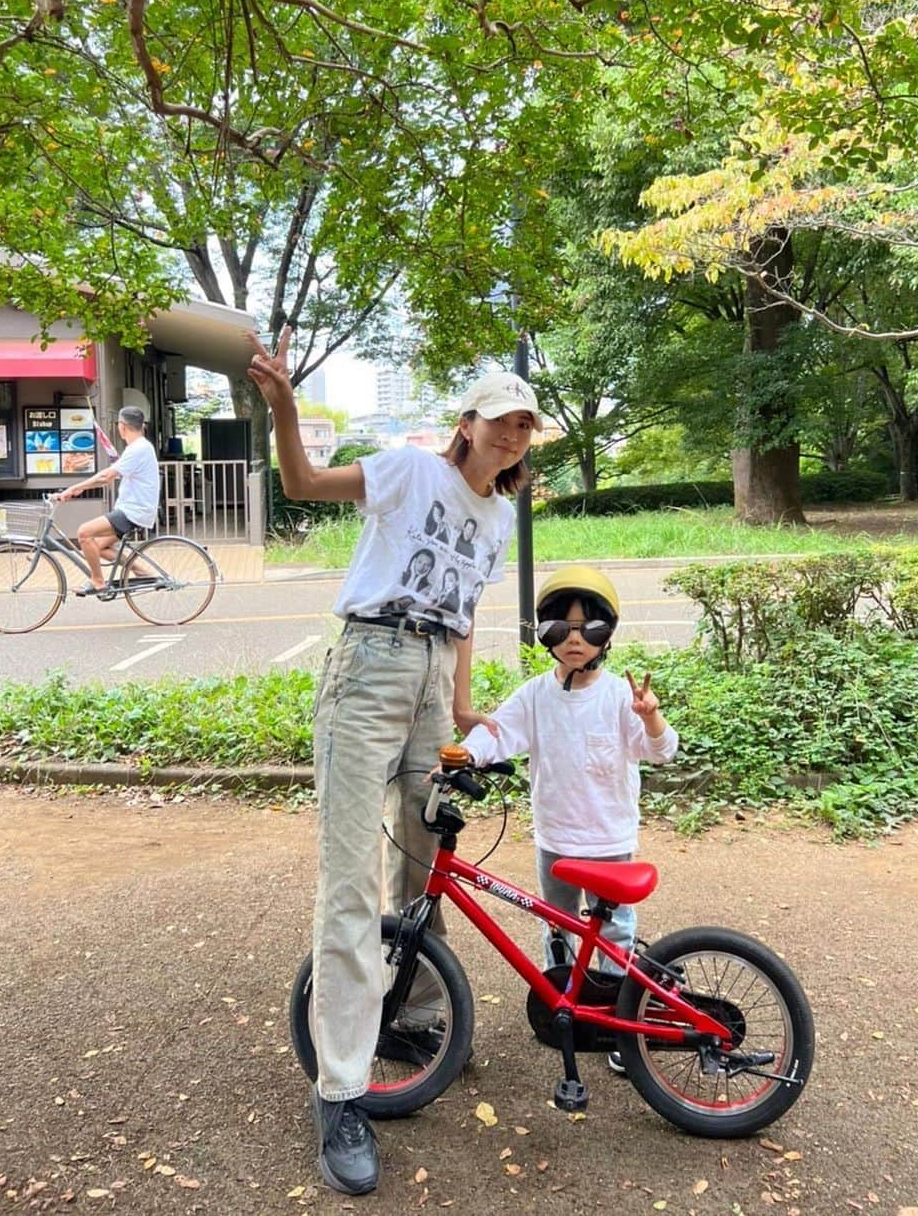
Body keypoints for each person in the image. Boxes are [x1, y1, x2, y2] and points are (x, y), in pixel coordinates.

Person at [247, 329, 542, 1196]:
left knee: (424, 857)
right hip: (369, 663)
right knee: (349, 882)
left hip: (426, 682)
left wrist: (460, 707)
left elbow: (463, 615)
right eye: (499, 421)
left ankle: (410, 1014)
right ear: (467, 423)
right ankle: (340, 1091)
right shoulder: (413, 473)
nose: (511, 436)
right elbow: (301, 484)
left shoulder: (501, 513)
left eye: (524, 426)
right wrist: (286, 408)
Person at [459, 564, 678, 1075]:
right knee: (556, 927)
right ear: (546, 634)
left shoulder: (619, 697)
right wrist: (462, 756)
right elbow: (496, 733)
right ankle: (566, 1009)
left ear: (607, 635)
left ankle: (622, 1025)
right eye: (562, 628)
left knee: (615, 934)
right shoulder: (536, 695)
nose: (575, 640)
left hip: (608, 840)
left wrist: (650, 715)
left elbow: (662, 751)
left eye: (589, 628)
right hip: (555, 840)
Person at [52, 406, 160, 596]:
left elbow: (105, 477)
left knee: (84, 533)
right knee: (98, 546)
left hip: (133, 511)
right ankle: (143, 572)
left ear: (122, 426)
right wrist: (76, 489)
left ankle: (98, 581)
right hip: (134, 509)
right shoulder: (139, 447)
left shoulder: (138, 448)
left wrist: (74, 488)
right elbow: (109, 478)